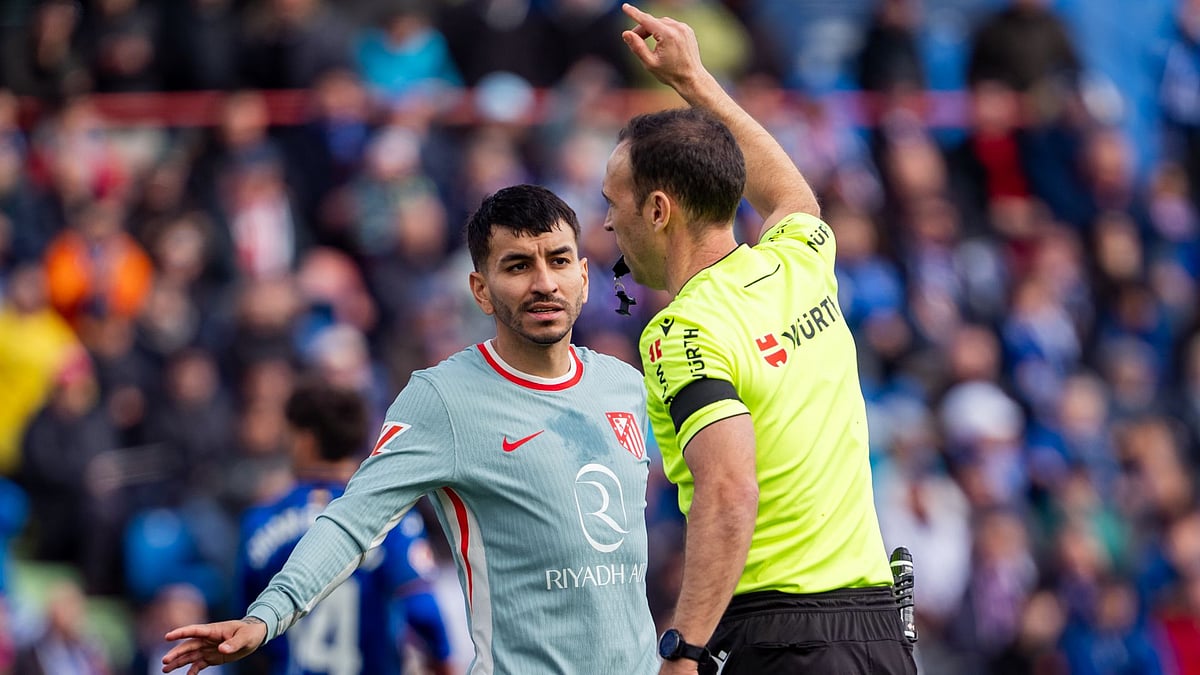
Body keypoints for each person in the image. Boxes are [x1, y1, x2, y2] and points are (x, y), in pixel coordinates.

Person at [161, 184, 658, 674]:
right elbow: (352, 520)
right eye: (518, 265)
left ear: (585, 277)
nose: (545, 282)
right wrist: (266, 618)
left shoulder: (624, 386)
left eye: (559, 260)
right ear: (480, 290)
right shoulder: (444, 399)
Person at [602, 5, 917, 674]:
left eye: (615, 203)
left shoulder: (681, 330)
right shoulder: (802, 256)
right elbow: (792, 191)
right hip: (877, 635)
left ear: (658, 211)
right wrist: (695, 81)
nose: (607, 224)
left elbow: (727, 493)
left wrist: (682, 650)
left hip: (782, 643)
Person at [236, 379, 454, 675]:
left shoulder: (260, 520)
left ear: (305, 440)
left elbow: (242, 629)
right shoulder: (389, 516)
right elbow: (422, 610)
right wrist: (443, 664)